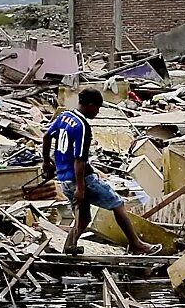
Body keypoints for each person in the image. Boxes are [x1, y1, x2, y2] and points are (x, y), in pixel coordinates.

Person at [41, 88, 162, 256]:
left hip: (64, 179)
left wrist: (46, 161)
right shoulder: (82, 126)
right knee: (117, 204)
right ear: (89, 105)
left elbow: (47, 136)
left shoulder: (64, 117)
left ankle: (69, 247)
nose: (98, 112)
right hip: (81, 179)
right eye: (97, 108)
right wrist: (81, 188)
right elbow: (80, 160)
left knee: (83, 218)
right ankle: (137, 245)